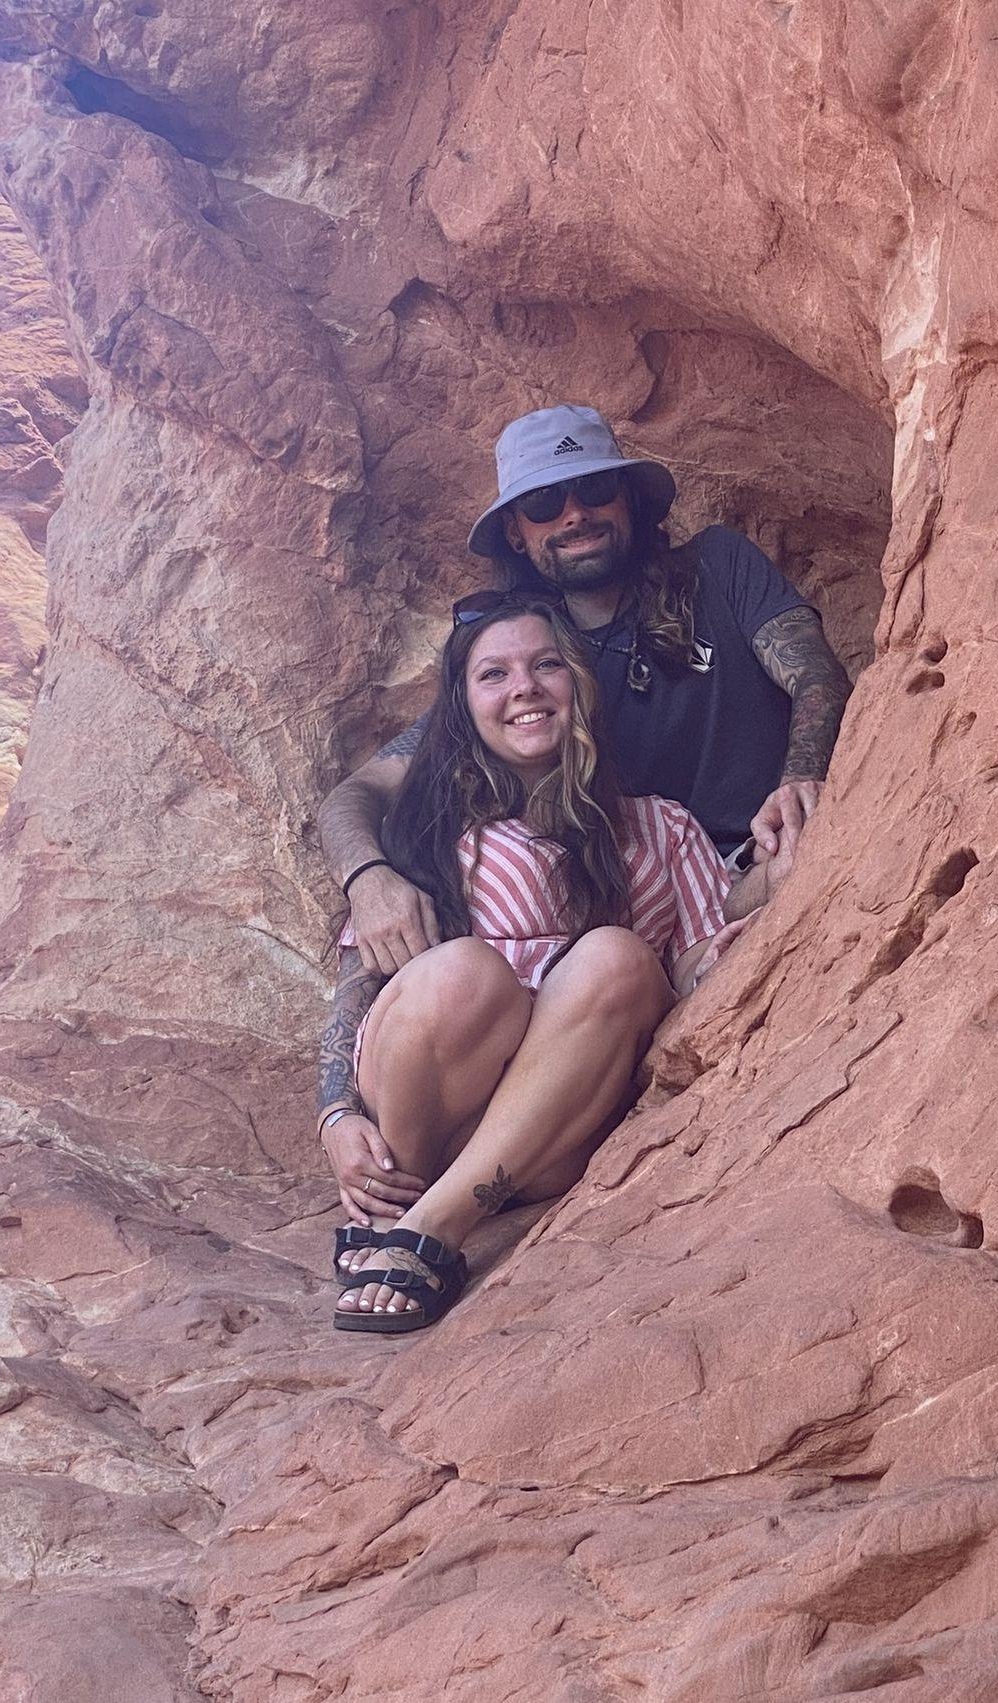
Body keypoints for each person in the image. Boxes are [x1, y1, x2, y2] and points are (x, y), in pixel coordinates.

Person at [317, 594, 785, 1333]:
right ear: (465, 706)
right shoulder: (422, 826)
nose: (524, 688)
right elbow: (358, 988)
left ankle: (429, 1227)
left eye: (545, 665)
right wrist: (336, 1118)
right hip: (429, 1110)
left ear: (579, 684)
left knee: (617, 956)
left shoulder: (659, 826)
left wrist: (779, 879)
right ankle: (400, 1204)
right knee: (460, 971)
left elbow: (700, 957)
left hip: (551, 1129)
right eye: (493, 675)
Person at [319, 402, 851, 981]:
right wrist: (366, 877)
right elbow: (368, 788)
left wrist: (800, 780)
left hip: (768, 846)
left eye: (594, 488)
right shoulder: (534, 657)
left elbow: (815, 675)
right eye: (545, 503)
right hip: (656, 911)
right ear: (516, 535)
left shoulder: (717, 567)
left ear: (629, 499)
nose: (574, 515)